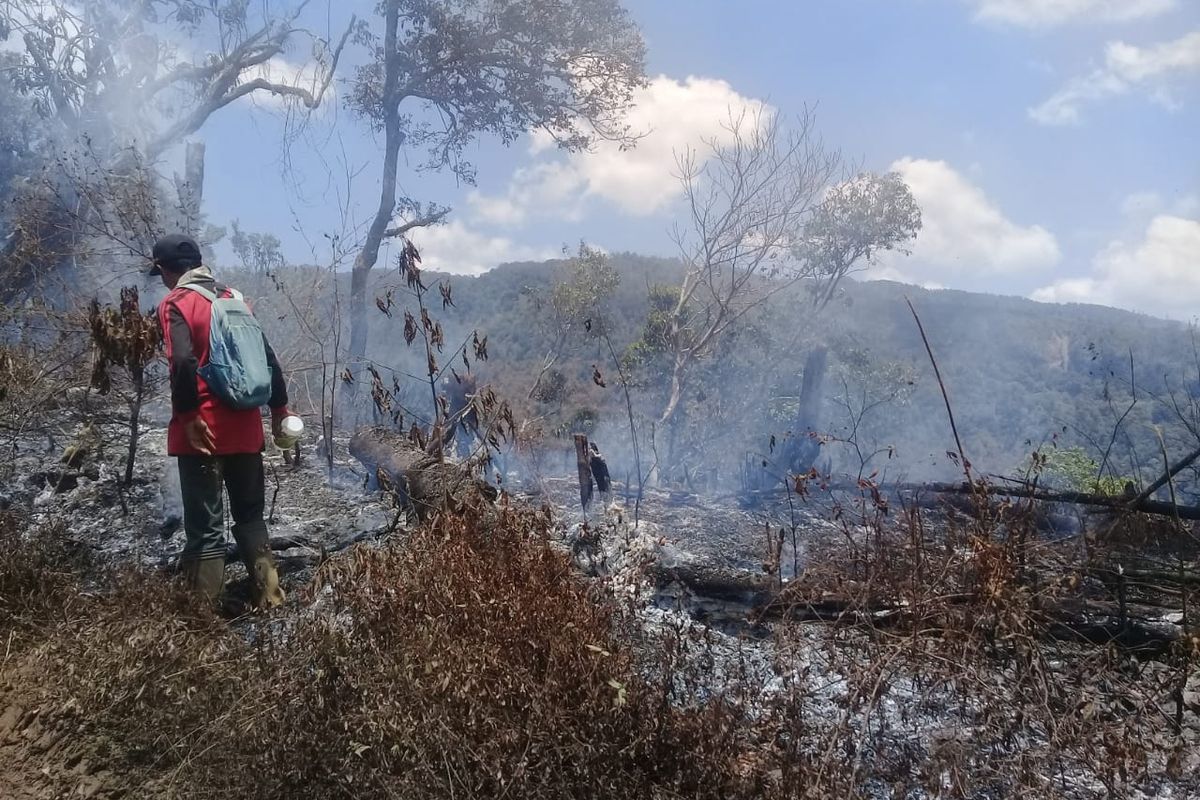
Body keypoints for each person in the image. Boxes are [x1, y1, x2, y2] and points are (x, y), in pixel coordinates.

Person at [151, 233, 290, 608]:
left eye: (160, 273)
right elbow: (268, 358)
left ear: (166, 270)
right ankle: (271, 599)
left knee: (206, 530)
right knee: (251, 518)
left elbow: (181, 362)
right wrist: (280, 410)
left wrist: (189, 417)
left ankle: (202, 625)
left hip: (203, 435)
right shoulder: (235, 300)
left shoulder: (175, 303)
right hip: (247, 430)